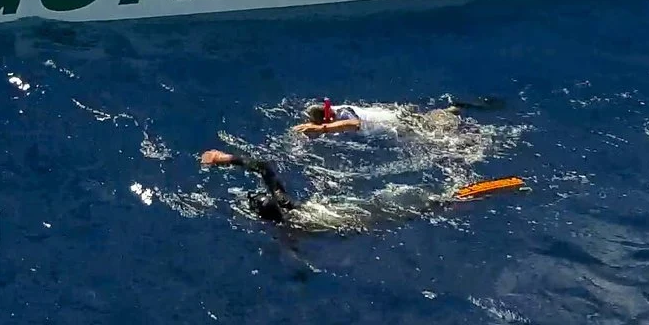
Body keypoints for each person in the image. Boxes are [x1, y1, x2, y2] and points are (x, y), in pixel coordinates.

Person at [200, 146, 525, 235]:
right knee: (432, 202)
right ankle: (473, 193)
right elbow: (265, 168)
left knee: (431, 207)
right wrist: (225, 159)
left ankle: (475, 195)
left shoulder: (289, 225)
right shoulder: (287, 205)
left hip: (362, 221)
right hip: (360, 209)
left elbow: (293, 253)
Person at [293, 95, 508, 139]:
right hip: (398, 116)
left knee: (443, 138)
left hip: (402, 125)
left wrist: (321, 130)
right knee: (430, 120)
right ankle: (454, 108)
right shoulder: (338, 108)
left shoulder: (343, 114)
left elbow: (354, 123)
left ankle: (461, 115)